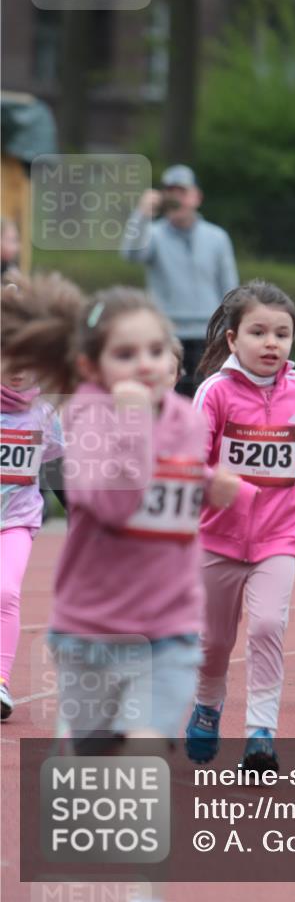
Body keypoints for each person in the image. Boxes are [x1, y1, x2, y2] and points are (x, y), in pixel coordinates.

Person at [1, 274, 238, 746]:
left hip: (169, 617)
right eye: (126, 354)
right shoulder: (88, 415)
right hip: (95, 624)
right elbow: (113, 504)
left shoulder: (186, 419)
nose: (145, 364)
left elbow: (177, 472)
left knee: (145, 746)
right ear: (90, 365)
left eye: (156, 351)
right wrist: (132, 424)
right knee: (93, 754)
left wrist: (211, 483)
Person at [186, 281, 295, 769]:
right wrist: (230, 488)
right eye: (258, 332)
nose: (271, 343)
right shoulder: (214, 392)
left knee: (269, 626)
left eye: (282, 333)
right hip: (216, 538)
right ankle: (207, 706)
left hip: (278, 534)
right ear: (233, 339)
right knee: (215, 642)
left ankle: (260, 732)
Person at [120, 165, 239, 397]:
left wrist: (230, 330)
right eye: (170, 192)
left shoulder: (217, 237)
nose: (176, 199)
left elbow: (230, 290)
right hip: (168, 336)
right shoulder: (153, 234)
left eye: (182, 192)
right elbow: (131, 254)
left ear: (197, 197)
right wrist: (141, 215)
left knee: (208, 398)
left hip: (208, 336)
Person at [0, 289, 64, 720]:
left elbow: (60, 470)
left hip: (16, 520)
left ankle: (0, 680)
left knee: (5, 590)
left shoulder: (44, 413)